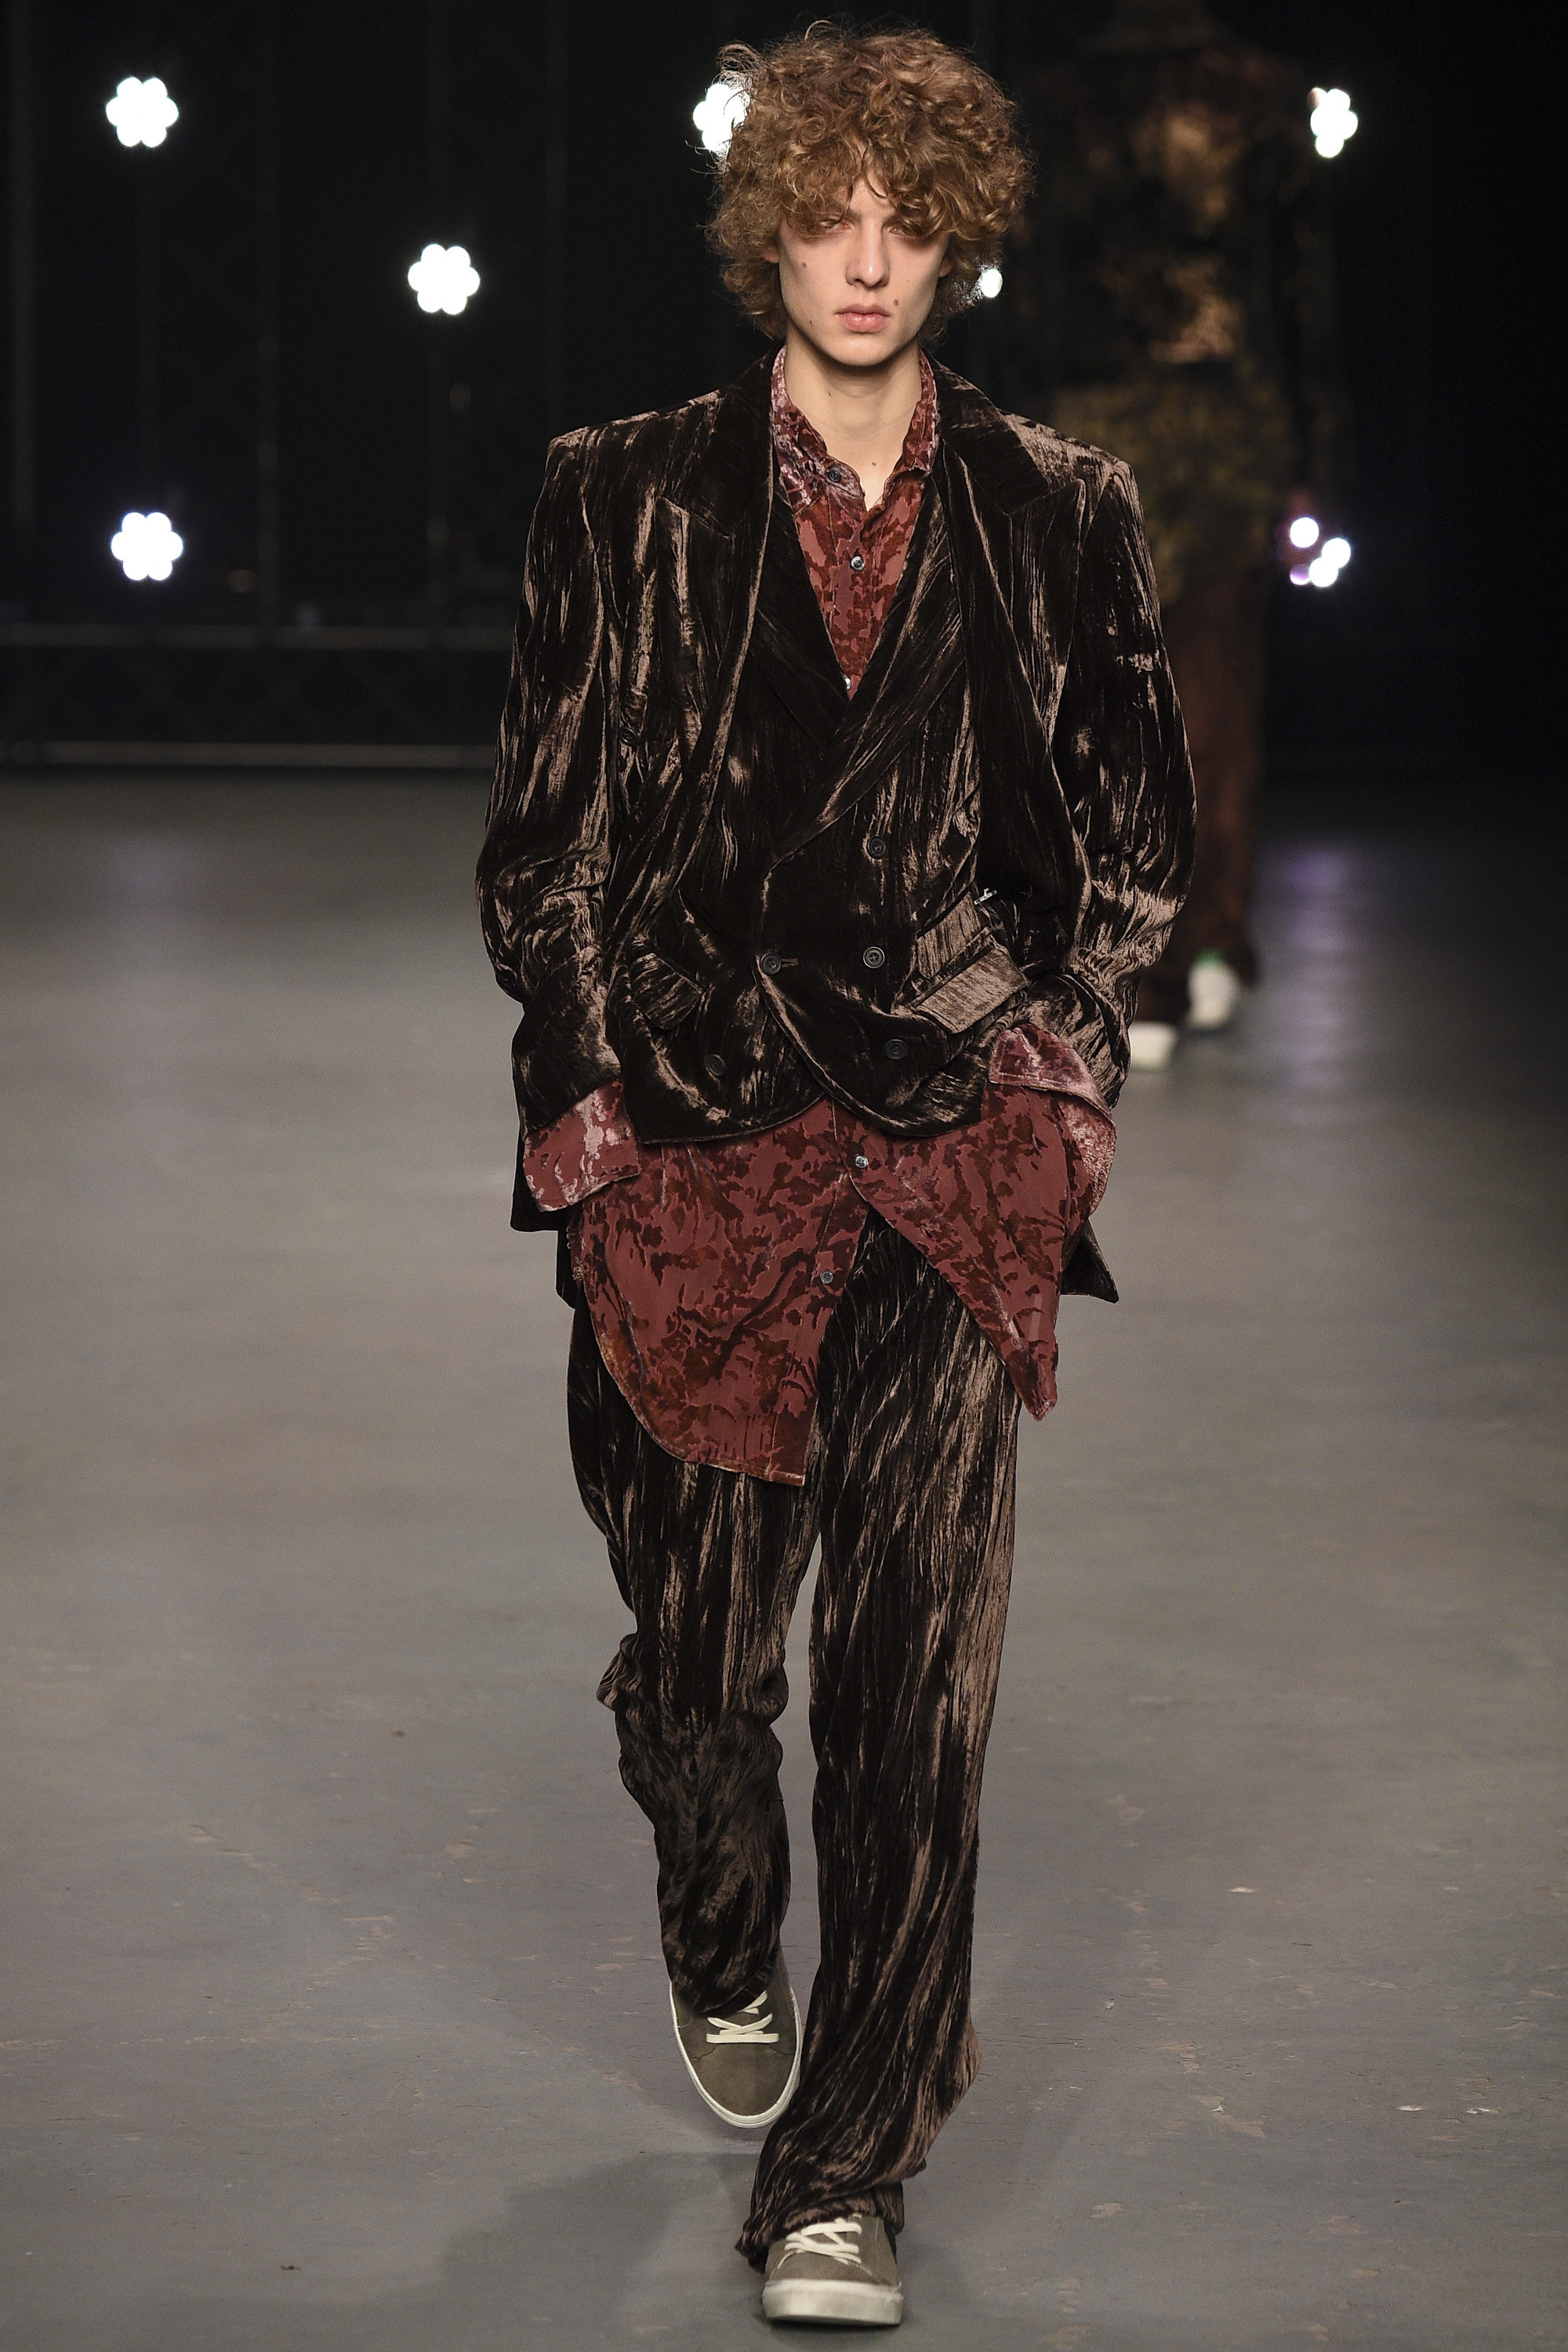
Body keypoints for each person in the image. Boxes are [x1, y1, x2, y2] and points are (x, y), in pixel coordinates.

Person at [477, 24, 1192, 2328]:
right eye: (828, 215)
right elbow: (547, 848)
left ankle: (844, 2168)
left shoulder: (1061, 508)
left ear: (958, 236)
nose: (868, 261)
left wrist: (1042, 1066)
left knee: (915, 1679)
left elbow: (1135, 846)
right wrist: (594, 1107)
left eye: (909, 220)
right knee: (709, 1651)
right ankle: (710, 1868)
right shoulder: (620, 495)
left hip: (947, 1148)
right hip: (695, 1140)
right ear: (767, 227)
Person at [1007, 0, 1350, 1068]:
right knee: (1216, 687)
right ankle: (1209, 940)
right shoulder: (1261, 98)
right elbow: (1301, 293)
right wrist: (1315, 455)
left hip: (1094, 413)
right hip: (1228, 417)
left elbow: (1025, 294)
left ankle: (1131, 967)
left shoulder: (1056, 106)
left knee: (1100, 700)